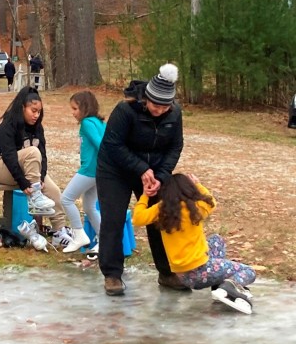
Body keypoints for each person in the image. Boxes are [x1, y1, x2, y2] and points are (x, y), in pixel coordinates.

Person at [96, 63, 184, 296]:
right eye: (155, 105)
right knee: (114, 218)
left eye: (165, 106)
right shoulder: (125, 110)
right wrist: (141, 168)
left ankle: (167, 272)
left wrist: (161, 176)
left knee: (159, 218)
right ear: (146, 98)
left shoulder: (174, 113)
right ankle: (112, 274)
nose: (159, 110)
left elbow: (175, 146)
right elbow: (112, 145)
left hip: (153, 173)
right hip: (115, 170)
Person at [132, 173, 256, 314]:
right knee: (248, 271)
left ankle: (218, 286)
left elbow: (137, 218)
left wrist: (145, 195)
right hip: (201, 271)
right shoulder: (195, 207)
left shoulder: (161, 209)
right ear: (188, 189)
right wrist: (197, 184)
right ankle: (228, 286)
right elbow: (212, 202)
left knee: (216, 240)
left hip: (182, 276)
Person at [0, 86, 72, 248]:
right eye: (33, 111)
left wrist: (40, 178)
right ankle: (35, 198)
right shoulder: (8, 126)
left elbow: (43, 156)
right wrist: (24, 183)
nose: (36, 115)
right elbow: (9, 157)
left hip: (28, 173)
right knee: (32, 152)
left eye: (39, 112)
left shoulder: (37, 128)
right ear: (22, 108)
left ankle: (59, 231)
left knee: (54, 190)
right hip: (2, 168)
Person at [60, 91, 106, 254]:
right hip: (99, 172)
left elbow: (101, 144)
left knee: (66, 199)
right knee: (89, 206)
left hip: (89, 171)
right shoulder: (99, 122)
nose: (72, 113)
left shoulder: (87, 123)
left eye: (75, 109)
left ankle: (79, 234)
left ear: (85, 108)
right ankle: (104, 241)